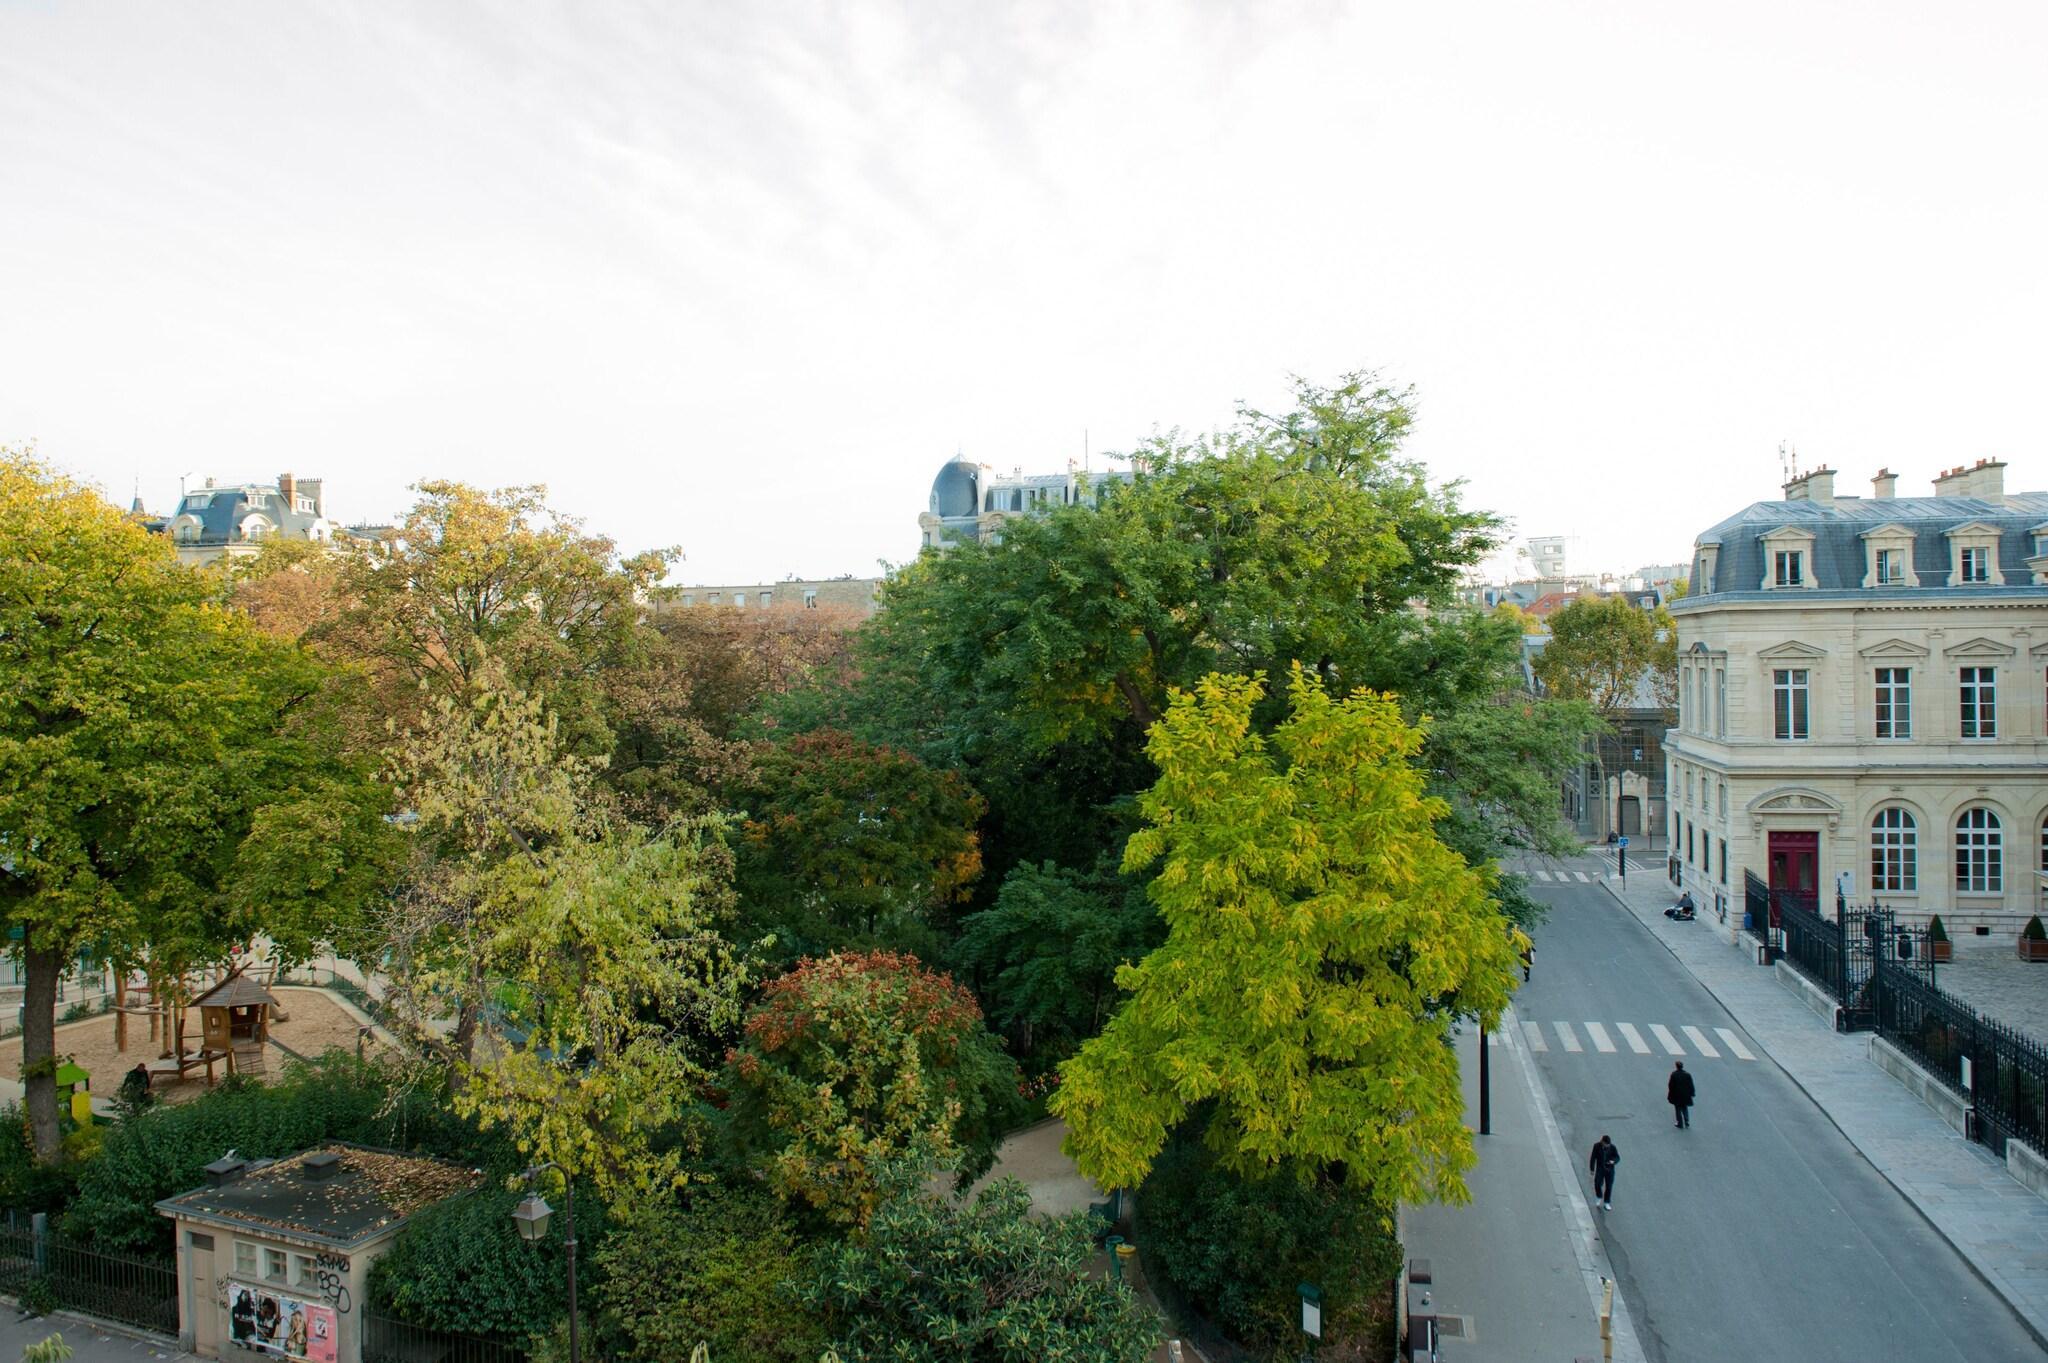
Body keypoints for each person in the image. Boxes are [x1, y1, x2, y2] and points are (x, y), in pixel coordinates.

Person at [1588, 1134, 1619, 1210]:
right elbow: (1593, 1158)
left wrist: (1613, 1161)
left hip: (1609, 1170)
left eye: (1608, 1145)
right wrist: (1592, 1169)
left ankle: (1607, 1202)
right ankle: (1599, 1196)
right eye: (1606, 1145)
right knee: (1597, 1183)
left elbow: (1617, 1157)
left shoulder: (1613, 1147)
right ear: (1602, 1142)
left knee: (1609, 1186)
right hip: (1600, 1169)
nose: (1607, 1146)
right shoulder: (1596, 1146)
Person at [1669, 1060, 1696, 1128]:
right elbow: (1691, 1085)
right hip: (1685, 1095)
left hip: (1677, 1094)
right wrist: (1692, 1093)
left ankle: (1680, 1123)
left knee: (1678, 1109)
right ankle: (1686, 1121)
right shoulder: (1687, 1075)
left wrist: (1671, 1093)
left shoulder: (1674, 1074)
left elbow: (1671, 1085)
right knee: (1684, 1107)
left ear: (1676, 1067)